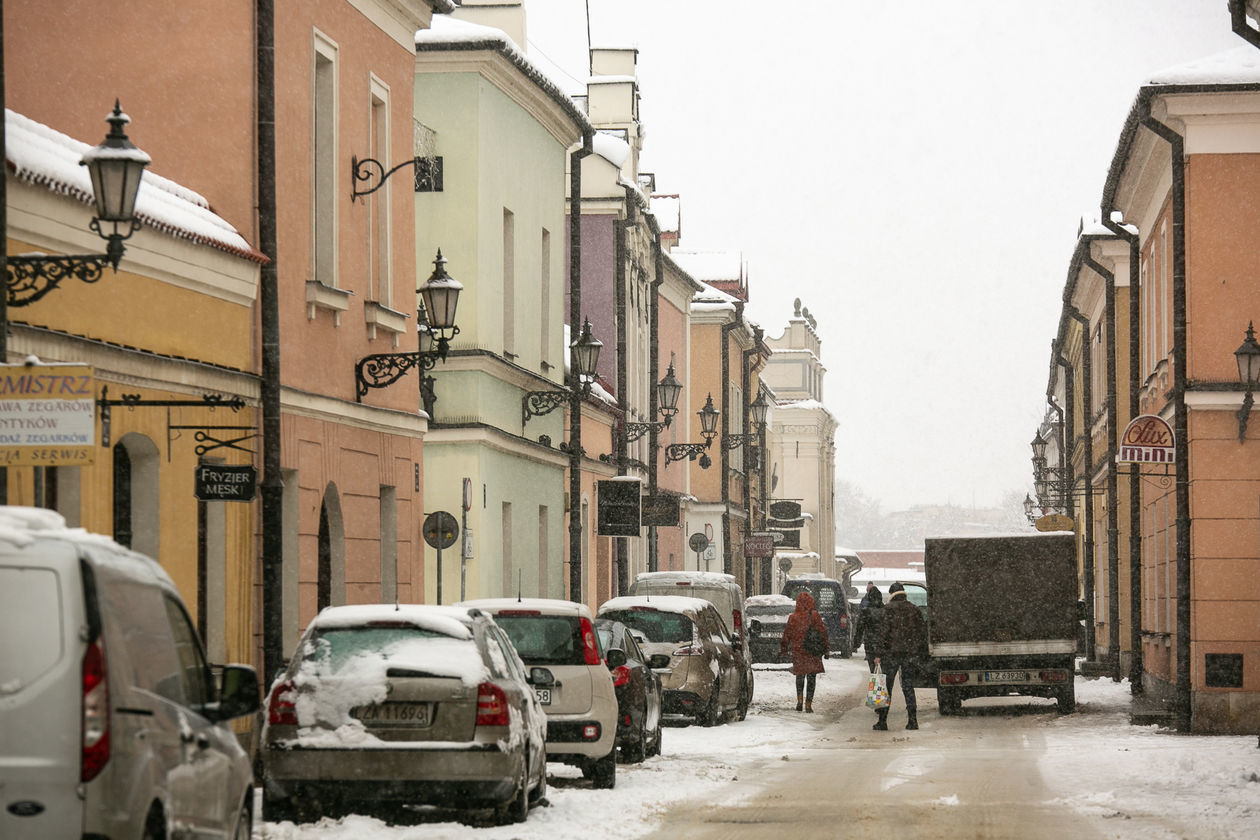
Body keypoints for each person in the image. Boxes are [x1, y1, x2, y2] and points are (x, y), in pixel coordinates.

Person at [874, 581, 927, 731]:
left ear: (892, 594)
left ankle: (883, 721)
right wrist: (918, 651)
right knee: (908, 686)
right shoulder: (914, 609)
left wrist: (878, 653)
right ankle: (913, 720)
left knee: (887, 688)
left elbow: (882, 633)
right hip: (909, 654)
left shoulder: (888, 609)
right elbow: (921, 633)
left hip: (891, 654)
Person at [781, 590, 829, 712]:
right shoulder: (814, 615)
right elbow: (823, 633)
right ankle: (808, 704)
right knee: (811, 677)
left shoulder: (793, 617)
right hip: (812, 650)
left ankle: (799, 700)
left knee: (800, 676)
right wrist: (826, 649)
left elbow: (786, 635)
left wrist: (784, 650)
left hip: (798, 651)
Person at [851, 586, 884, 672]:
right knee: (883, 670)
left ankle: (874, 682)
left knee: (873, 668)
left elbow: (860, 629)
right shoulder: (886, 611)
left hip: (870, 643)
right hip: (883, 643)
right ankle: (884, 684)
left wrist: (856, 644)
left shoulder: (865, 611)